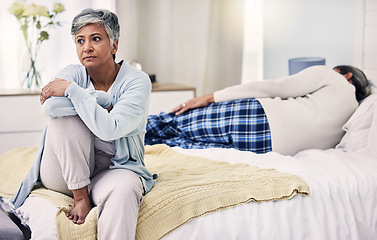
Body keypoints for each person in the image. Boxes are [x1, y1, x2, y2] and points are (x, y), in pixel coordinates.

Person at [10, 8, 155, 239]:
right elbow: (50, 108)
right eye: (80, 41)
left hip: (112, 170)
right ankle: (80, 198)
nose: (86, 47)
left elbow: (111, 128)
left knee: (125, 190)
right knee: (64, 119)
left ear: (114, 45)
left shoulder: (136, 81)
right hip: (64, 174)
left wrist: (73, 93)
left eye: (95, 39)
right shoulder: (73, 74)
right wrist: (102, 100)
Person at [145, 65, 372, 156]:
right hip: (264, 148)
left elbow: (275, 88)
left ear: (347, 75)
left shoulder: (333, 77)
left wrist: (211, 97)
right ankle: (123, 151)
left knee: (171, 122)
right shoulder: (353, 118)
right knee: (176, 143)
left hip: (257, 117)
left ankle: (112, 132)